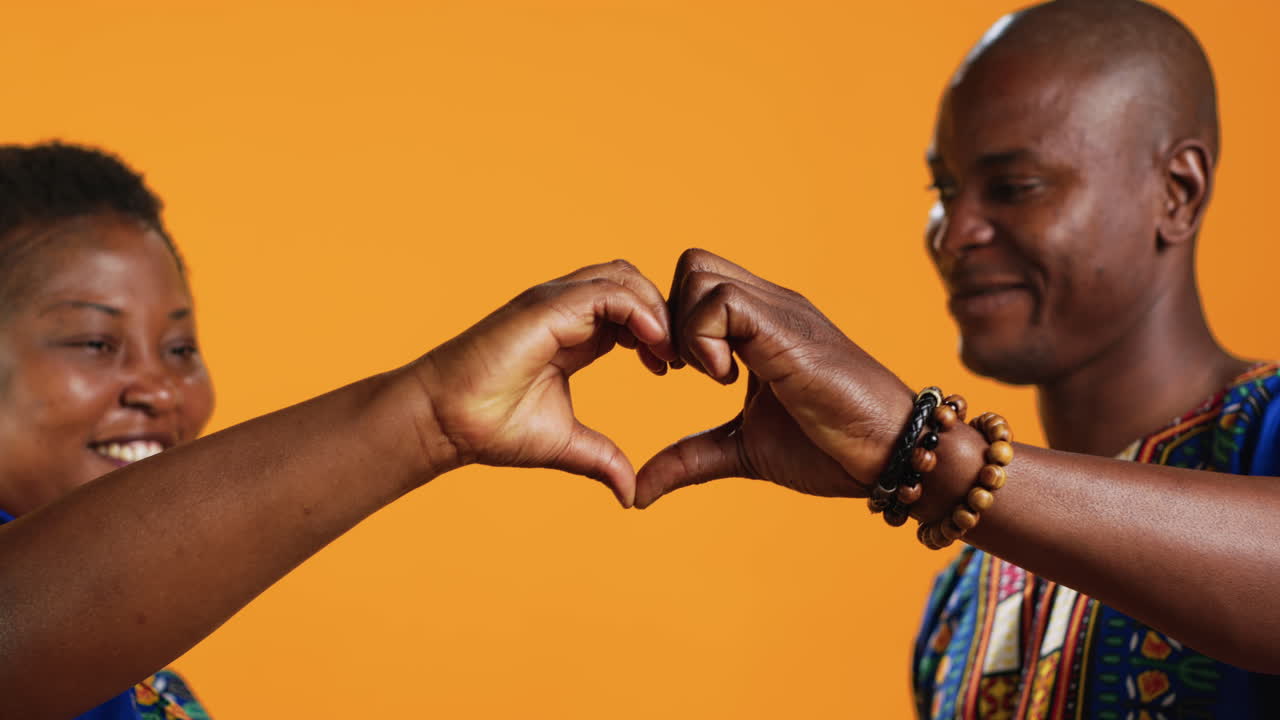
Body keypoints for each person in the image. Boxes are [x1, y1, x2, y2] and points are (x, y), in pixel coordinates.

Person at [632, 1, 1280, 717]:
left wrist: (923, 452)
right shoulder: (965, 597)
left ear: (1177, 193)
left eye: (1015, 187)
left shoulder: (1263, 431)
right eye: (944, 191)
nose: (954, 233)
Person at [0, 142, 677, 718]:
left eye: (180, 350)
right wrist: (427, 416)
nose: (159, 389)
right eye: (94, 343)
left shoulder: (151, 685)